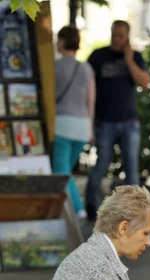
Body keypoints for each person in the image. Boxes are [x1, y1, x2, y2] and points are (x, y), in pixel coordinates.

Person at [85, 20, 150, 220]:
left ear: (127, 37)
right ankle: (90, 205)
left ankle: (135, 212)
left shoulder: (135, 57)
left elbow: (146, 82)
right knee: (101, 164)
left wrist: (129, 59)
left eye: (121, 36)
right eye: (114, 34)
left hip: (129, 121)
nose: (116, 39)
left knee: (131, 167)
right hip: (105, 121)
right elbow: (86, 87)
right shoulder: (98, 56)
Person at [53, 26, 95, 218]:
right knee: (65, 171)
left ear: (61, 41)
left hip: (61, 125)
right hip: (82, 127)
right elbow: (90, 100)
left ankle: (77, 209)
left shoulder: (54, 66)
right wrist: (91, 127)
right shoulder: (86, 68)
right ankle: (71, 210)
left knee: (61, 174)